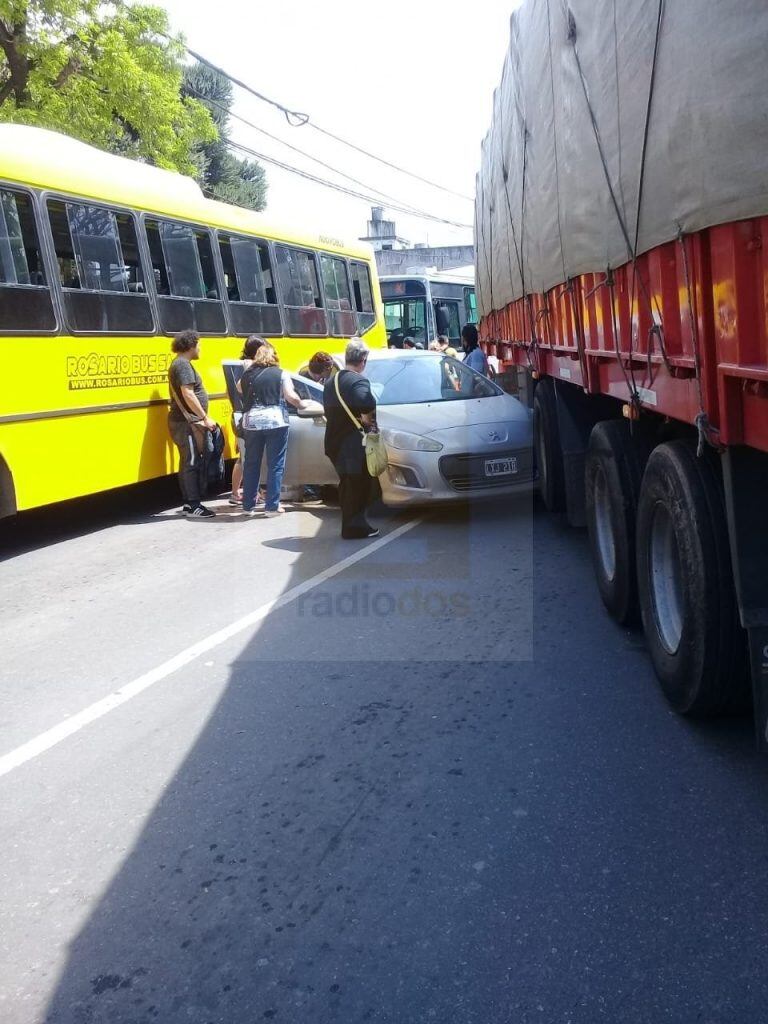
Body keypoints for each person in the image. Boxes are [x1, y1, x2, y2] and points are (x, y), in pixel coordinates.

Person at [239, 343, 307, 516]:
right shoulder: (281, 373)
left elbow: (239, 388)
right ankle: (272, 506)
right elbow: (291, 396)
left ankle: (248, 506)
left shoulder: (247, 375)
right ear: (274, 356)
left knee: (251, 463)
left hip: (251, 422)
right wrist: (302, 404)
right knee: (275, 464)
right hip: (274, 421)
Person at [323, 338, 379, 540]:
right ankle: (355, 527)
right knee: (358, 486)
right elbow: (366, 402)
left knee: (347, 485)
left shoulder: (332, 382)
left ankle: (350, 526)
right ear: (363, 359)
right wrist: (368, 422)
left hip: (334, 443)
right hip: (353, 444)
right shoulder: (358, 381)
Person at [167, 329, 217, 519]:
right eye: (199, 345)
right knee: (191, 461)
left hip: (184, 421)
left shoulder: (181, 364)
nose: (200, 349)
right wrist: (204, 416)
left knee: (189, 460)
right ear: (190, 346)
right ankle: (194, 504)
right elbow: (188, 393)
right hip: (184, 423)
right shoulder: (182, 365)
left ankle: (190, 504)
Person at [230, 335, 264, 506]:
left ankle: (251, 491)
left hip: (244, 414)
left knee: (247, 456)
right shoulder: (245, 366)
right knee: (245, 457)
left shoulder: (245, 365)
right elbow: (240, 390)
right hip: (244, 414)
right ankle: (237, 493)